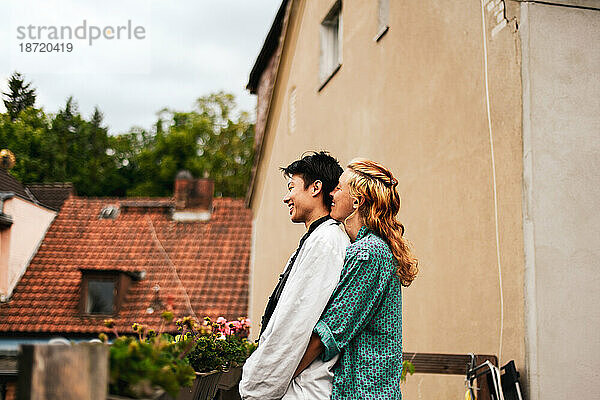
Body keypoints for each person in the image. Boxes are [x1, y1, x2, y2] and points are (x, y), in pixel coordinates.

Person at [293, 158, 418, 400]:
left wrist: (279, 378)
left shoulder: (367, 253)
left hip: (364, 393)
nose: (331, 193)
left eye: (339, 188)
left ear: (356, 201)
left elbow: (329, 333)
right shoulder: (369, 248)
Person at [239, 151, 350, 400]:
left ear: (315, 188)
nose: (286, 198)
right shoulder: (317, 240)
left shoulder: (326, 242)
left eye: (292, 187)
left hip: (305, 390)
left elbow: (296, 323)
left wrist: (257, 387)